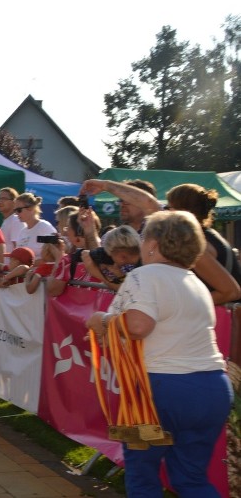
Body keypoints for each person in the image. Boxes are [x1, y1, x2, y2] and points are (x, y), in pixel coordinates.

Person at [85, 211, 232, 497]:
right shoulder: (195, 281)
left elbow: (139, 325)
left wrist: (100, 320)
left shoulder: (144, 275)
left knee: (142, 476)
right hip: (211, 389)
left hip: (156, 394)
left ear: (153, 243)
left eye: (143, 238)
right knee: (191, 479)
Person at [82, 180, 241, 304]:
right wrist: (105, 185)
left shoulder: (193, 245)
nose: (163, 212)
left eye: (169, 207)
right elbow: (149, 204)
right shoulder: (195, 235)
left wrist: (182, 307)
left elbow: (231, 291)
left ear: (182, 212)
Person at [79, 178, 158, 233]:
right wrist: (90, 231)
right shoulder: (113, 236)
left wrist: (104, 185)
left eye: (128, 200)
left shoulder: (159, 230)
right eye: (121, 200)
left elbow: (148, 202)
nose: (122, 204)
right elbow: (97, 257)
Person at [81, 225, 141, 291]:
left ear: (122, 256)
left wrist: (96, 273)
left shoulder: (142, 269)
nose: (111, 259)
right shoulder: (145, 259)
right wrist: (118, 273)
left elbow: (128, 291)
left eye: (111, 256)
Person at [13, 192, 57, 257]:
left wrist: (30, 264)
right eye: (15, 210)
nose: (16, 214)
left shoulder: (44, 227)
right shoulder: (22, 232)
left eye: (19, 210)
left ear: (30, 208)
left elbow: (53, 256)